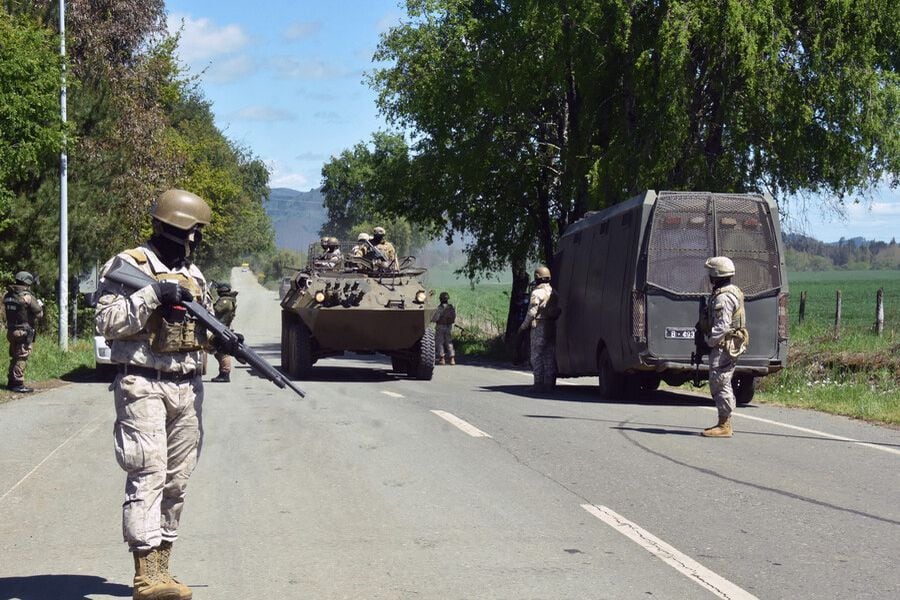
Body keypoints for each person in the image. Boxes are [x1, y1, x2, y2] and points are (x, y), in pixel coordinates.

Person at [95, 189, 242, 600]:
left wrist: (224, 343)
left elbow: (202, 331)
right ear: (182, 229)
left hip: (188, 387)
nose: (198, 239)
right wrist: (153, 294)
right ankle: (145, 576)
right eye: (196, 231)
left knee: (177, 480)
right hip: (143, 383)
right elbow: (106, 321)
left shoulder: (193, 276)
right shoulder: (128, 265)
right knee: (148, 471)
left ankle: (164, 569)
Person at [699, 256, 749, 438]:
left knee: (720, 380)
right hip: (727, 343)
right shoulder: (729, 291)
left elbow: (722, 325)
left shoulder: (724, 297)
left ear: (716, 274)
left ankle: (725, 424)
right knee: (720, 380)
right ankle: (723, 421)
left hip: (724, 345)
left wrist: (709, 342)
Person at [517, 265, 559, 392]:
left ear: (537, 278)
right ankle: (549, 383)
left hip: (539, 327)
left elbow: (531, 312)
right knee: (549, 356)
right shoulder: (554, 292)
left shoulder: (537, 293)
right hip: (551, 326)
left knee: (536, 356)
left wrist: (523, 327)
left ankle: (538, 384)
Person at [4, 271, 44, 393]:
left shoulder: (8, 295)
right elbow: (39, 314)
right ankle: (17, 383)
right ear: (27, 283)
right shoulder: (27, 297)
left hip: (11, 330)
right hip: (23, 331)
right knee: (21, 357)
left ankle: (11, 381)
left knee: (15, 357)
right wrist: (40, 305)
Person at [211, 282, 238, 383]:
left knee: (222, 352)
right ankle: (223, 373)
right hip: (222, 328)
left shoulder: (225, 301)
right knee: (218, 352)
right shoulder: (228, 299)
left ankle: (225, 373)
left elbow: (215, 310)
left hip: (222, 328)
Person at [431, 291, 456, 365]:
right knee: (449, 342)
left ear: (440, 299)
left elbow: (435, 318)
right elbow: (454, 316)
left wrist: (431, 320)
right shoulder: (451, 307)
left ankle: (442, 359)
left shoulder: (439, 308)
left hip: (440, 326)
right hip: (449, 327)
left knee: (440, 343)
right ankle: (452, 359)